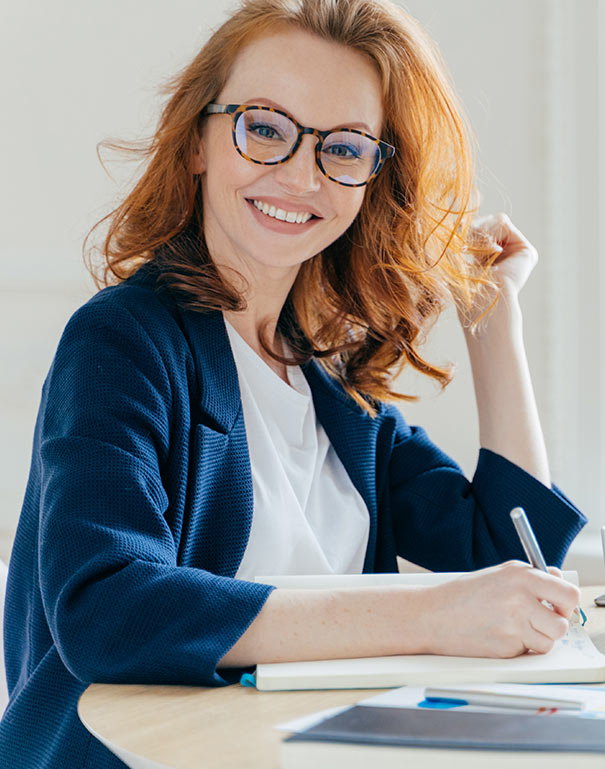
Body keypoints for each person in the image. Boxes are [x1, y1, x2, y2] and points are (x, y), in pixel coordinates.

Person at [0, 0, 586, 766]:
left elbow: (509, 555)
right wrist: (427, 615)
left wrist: (491, 322)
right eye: (266, 128)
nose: (301, 174)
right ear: (200, 142)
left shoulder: (333, 386)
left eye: (343, 148)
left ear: (372, 177)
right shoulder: (123, 339)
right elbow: (106, 610)